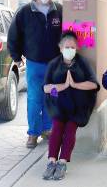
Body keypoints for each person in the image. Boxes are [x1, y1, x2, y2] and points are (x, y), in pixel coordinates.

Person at [7, 0, 62, 148]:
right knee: (34, 98)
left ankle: (47, 128)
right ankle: (33, 133)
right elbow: (13, 35)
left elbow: (67, 32)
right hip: (34, 63)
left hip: (54, 63)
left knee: (51, 97)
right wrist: (16, 56)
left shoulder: (59, 10)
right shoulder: (24, 11)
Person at [42, 31, 100, 180]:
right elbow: (46, 88)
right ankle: (51, 162)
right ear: (60, 48)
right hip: (58, 105)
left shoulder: (82, 62)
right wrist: (63, 86)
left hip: (78, 106)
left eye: (72, 47)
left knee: (69, 131)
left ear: (77, 48)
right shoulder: (53, 64)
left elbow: (93, 84)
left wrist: (74, 84)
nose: (70, 50)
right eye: (66, 47)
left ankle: (62, 162)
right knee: (56, 130)